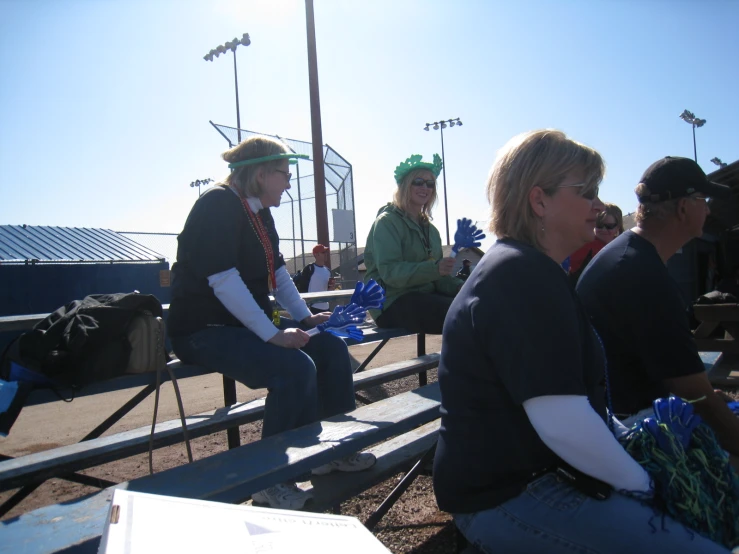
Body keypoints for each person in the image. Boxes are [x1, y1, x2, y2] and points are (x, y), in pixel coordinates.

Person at [433, 131, 727, 553]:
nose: (600, 206)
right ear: (539, 201)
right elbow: (562, 421)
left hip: (535, 476)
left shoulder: (532, 267)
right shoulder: (520, 274)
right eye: (586, 191)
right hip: (508, 495)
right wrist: (647, 482)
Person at [167, 135, 375, 510]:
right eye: (284, 174)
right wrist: (274, 334)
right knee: (293, 368)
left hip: (243, 327)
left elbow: (277, 272)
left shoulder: (259, 212)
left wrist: (305, 317)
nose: (289, 183)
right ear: (261, 174)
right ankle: (269, 480)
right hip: (202, 332)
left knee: (329, 347)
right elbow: (224, 281)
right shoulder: (217, 205)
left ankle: (332, 452)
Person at [577, 156, 739, 464]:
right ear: (683, 208)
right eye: (702, 200)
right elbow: (695, 394)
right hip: (633, 429)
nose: (707, 209)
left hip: (611, 416)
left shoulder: (627, 255)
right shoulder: (642, 274)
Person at [363, 154, 462, 334]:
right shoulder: (387, 222)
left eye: (430, 183)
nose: (425, 187)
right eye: (418, 181)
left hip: (423, 297)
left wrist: (459, 286)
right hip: (390, 302)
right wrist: (435, 269)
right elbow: (391, 273)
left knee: (478, 304)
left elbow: (438, 279)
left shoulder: (431, 230)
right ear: (405, 185)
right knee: (466, 315)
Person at [568, 203, 623, 282]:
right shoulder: (585, 246)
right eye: (599, 225)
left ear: (618, 227)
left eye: (609, 226)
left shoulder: (623, 247)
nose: (604, 230)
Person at [295, 244, 334, 314]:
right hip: (312, 308)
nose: (326, 254)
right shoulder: (309, 268)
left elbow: (328, 290)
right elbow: (302, 287)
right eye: (323, 252)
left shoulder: (328, 271)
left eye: (326, 252)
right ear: (316, 255)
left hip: (326, 307)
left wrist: (331, 287)